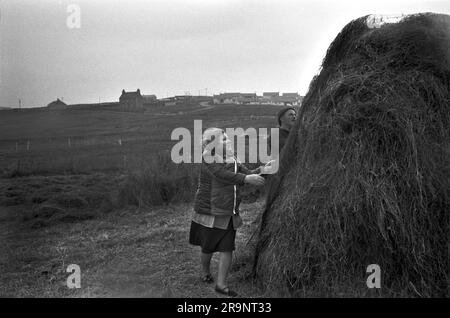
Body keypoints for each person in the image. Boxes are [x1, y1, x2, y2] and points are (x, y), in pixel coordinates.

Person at [189, 128, 266, 297]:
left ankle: (221, 284)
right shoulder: (207, 157)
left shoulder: (233, 156)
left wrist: (261, 170)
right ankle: (205, 272)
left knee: (227, 247)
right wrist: (246, 179)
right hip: (211, 208)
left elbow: (246, 173)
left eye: (227, 138)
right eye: (222, 139)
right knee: (208, 247)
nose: (227, 141)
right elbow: (221, 175)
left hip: (229, 209)